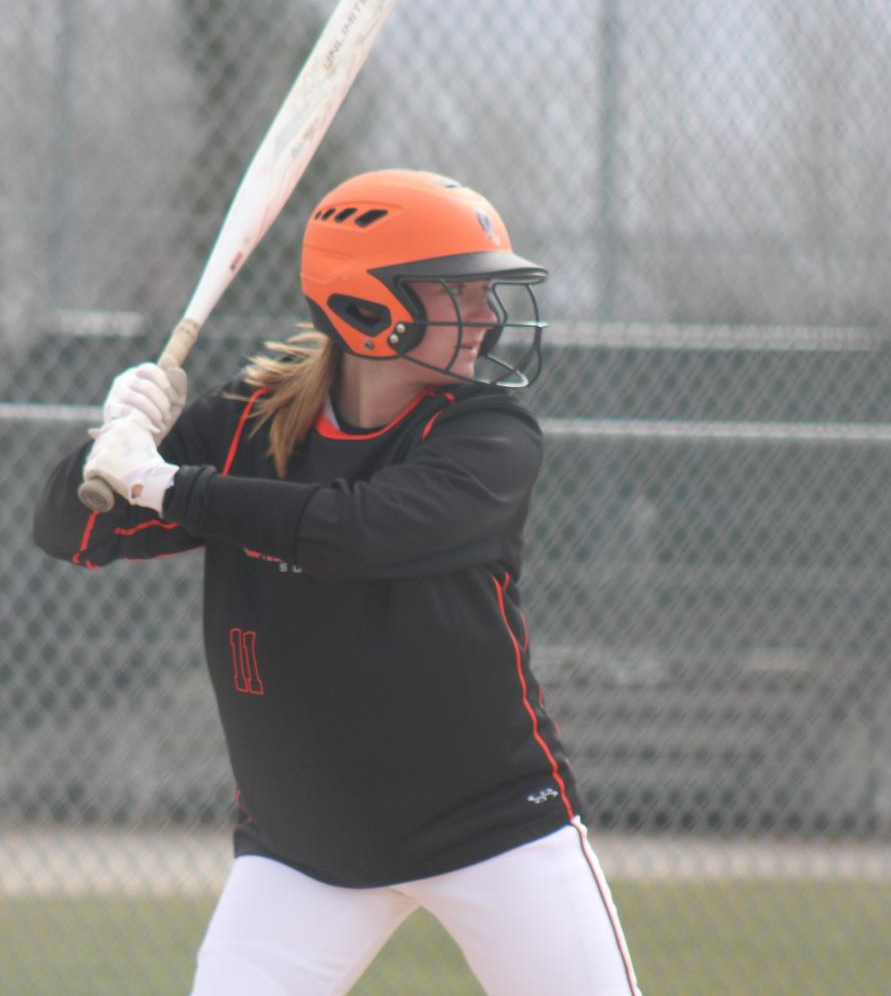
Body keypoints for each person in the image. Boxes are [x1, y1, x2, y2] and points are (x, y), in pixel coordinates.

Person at [33, 169, 642, 996]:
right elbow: (70, 531)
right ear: (366, 308)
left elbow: (357, 532)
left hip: (490, 824)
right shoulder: (249, 420)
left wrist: (168, 483)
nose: (488, 316)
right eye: (459, 293)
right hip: (304, 842)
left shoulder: (487, 433)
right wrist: (115, 434)